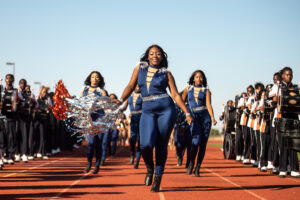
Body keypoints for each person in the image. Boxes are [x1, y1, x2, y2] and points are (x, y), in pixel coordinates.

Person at [119, 44, 193, 192]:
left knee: (161, 145)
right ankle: (149, 168)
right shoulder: (139, 68)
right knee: (145, 145)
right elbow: (130, 86)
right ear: (147, 56)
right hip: (147, 110)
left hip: (166, 110)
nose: (155, 56)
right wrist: (121, 100)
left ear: (162, 57)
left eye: (158, 54)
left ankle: (157, 179)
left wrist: (186, 112)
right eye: (152, 53)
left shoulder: (166, 73)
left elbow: (176, 95)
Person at [182, 70, 217, 176]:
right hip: (194, 117)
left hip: (205, 118)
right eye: (197, 77)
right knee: (195, 142)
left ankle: (198, 167)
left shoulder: (206, 91)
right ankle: (191, 162)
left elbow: (208, 105)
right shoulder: (188, 89)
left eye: (201, 77)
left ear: (203, 79)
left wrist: (212, 117)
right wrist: (185, 114)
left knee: (203, 145)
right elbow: (181, 102)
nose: (199, 79)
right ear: (193, 78)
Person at [270, 67, 300, 178]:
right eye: (287, 74)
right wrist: (276, 99)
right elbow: (270, 100)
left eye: (290, 74)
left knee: (294, 143)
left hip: (294, 117)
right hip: (282, 117)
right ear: (282, 75)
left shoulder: (295, 87)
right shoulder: (277, 87)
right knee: (283, 144)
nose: (289, 76)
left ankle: (294, 169)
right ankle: (282, 168)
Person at [81, 71, 106, 174]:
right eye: (93, 77)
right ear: (90, 79)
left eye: (97, 77)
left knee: (98, 143)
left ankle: (97, 165)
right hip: (89, 118)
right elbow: (81, 104)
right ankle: (89, 163)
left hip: (99, 118)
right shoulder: (84, 89)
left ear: (99, 79)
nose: (95, 78)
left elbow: (105, 105)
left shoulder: (102, 91)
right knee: (91, 143)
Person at [121, 86, 143, 168]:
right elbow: (124, 107)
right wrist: (118, 110)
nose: (138, 87)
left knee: (141, 140)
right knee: (132, 139)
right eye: (136, 85)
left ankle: (137, 160)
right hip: (133, 118)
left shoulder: (144, 95)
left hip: (142, 118)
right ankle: (132, 154)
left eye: (139, 85)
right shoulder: (129, 96)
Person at [1, 74, 18, 164]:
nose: (8, 80)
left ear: (13, 80)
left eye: (10, 79)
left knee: (11, 137)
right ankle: (3, 154)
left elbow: (16, 103)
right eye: (7, 79)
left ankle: (10, 155)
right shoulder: (2, 90)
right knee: (2, 137)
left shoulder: (15, 91)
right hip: (2, 117)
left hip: (11, 117)